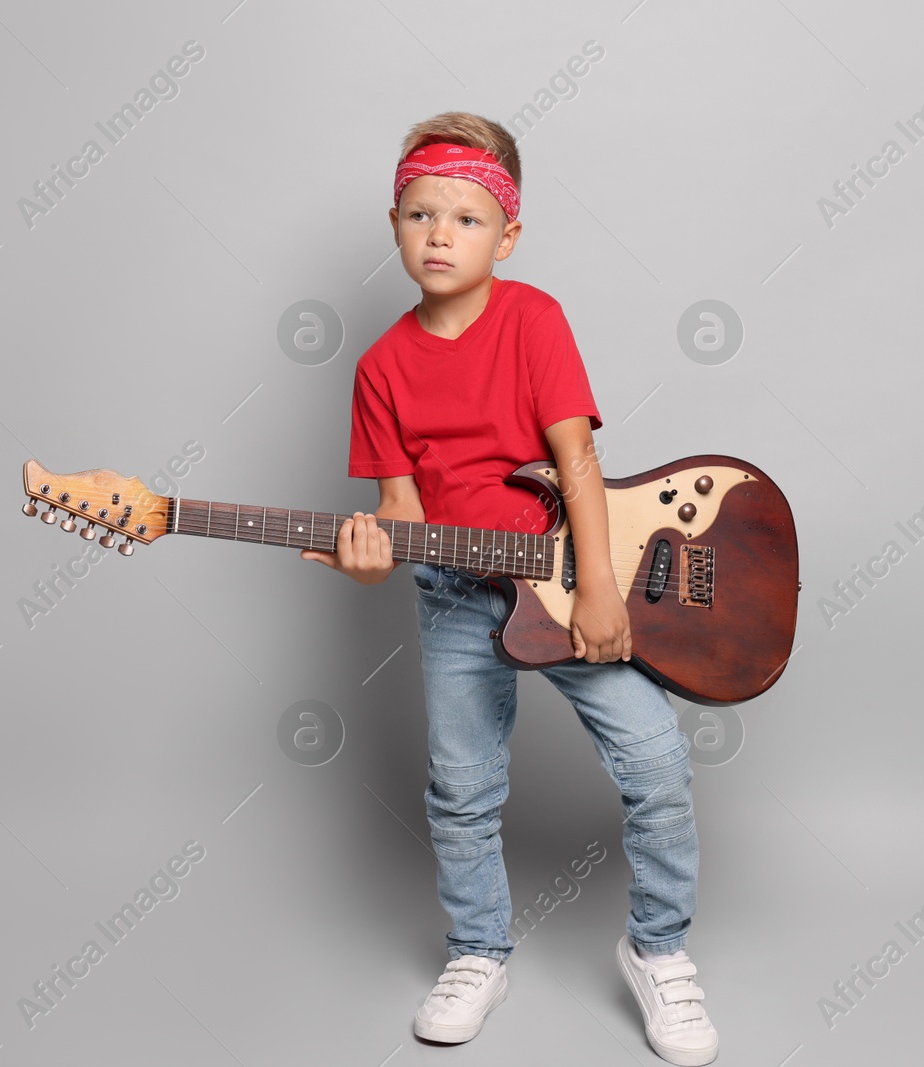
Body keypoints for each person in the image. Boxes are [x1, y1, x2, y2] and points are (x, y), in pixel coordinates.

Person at [300, 111, 716, 1066]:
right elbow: (398, 514)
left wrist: (603, 589)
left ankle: (659, 948)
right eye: (420, 214)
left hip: (574, 583)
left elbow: (577, 462)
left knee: (656, 763)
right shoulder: (379, 369)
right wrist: (373, 554)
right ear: (394, 223)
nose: (440, 234)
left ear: (509, 234)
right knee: (462, 787)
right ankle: (478, 948)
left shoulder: (533, 319)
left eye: (467, 217)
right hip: (456, 594)